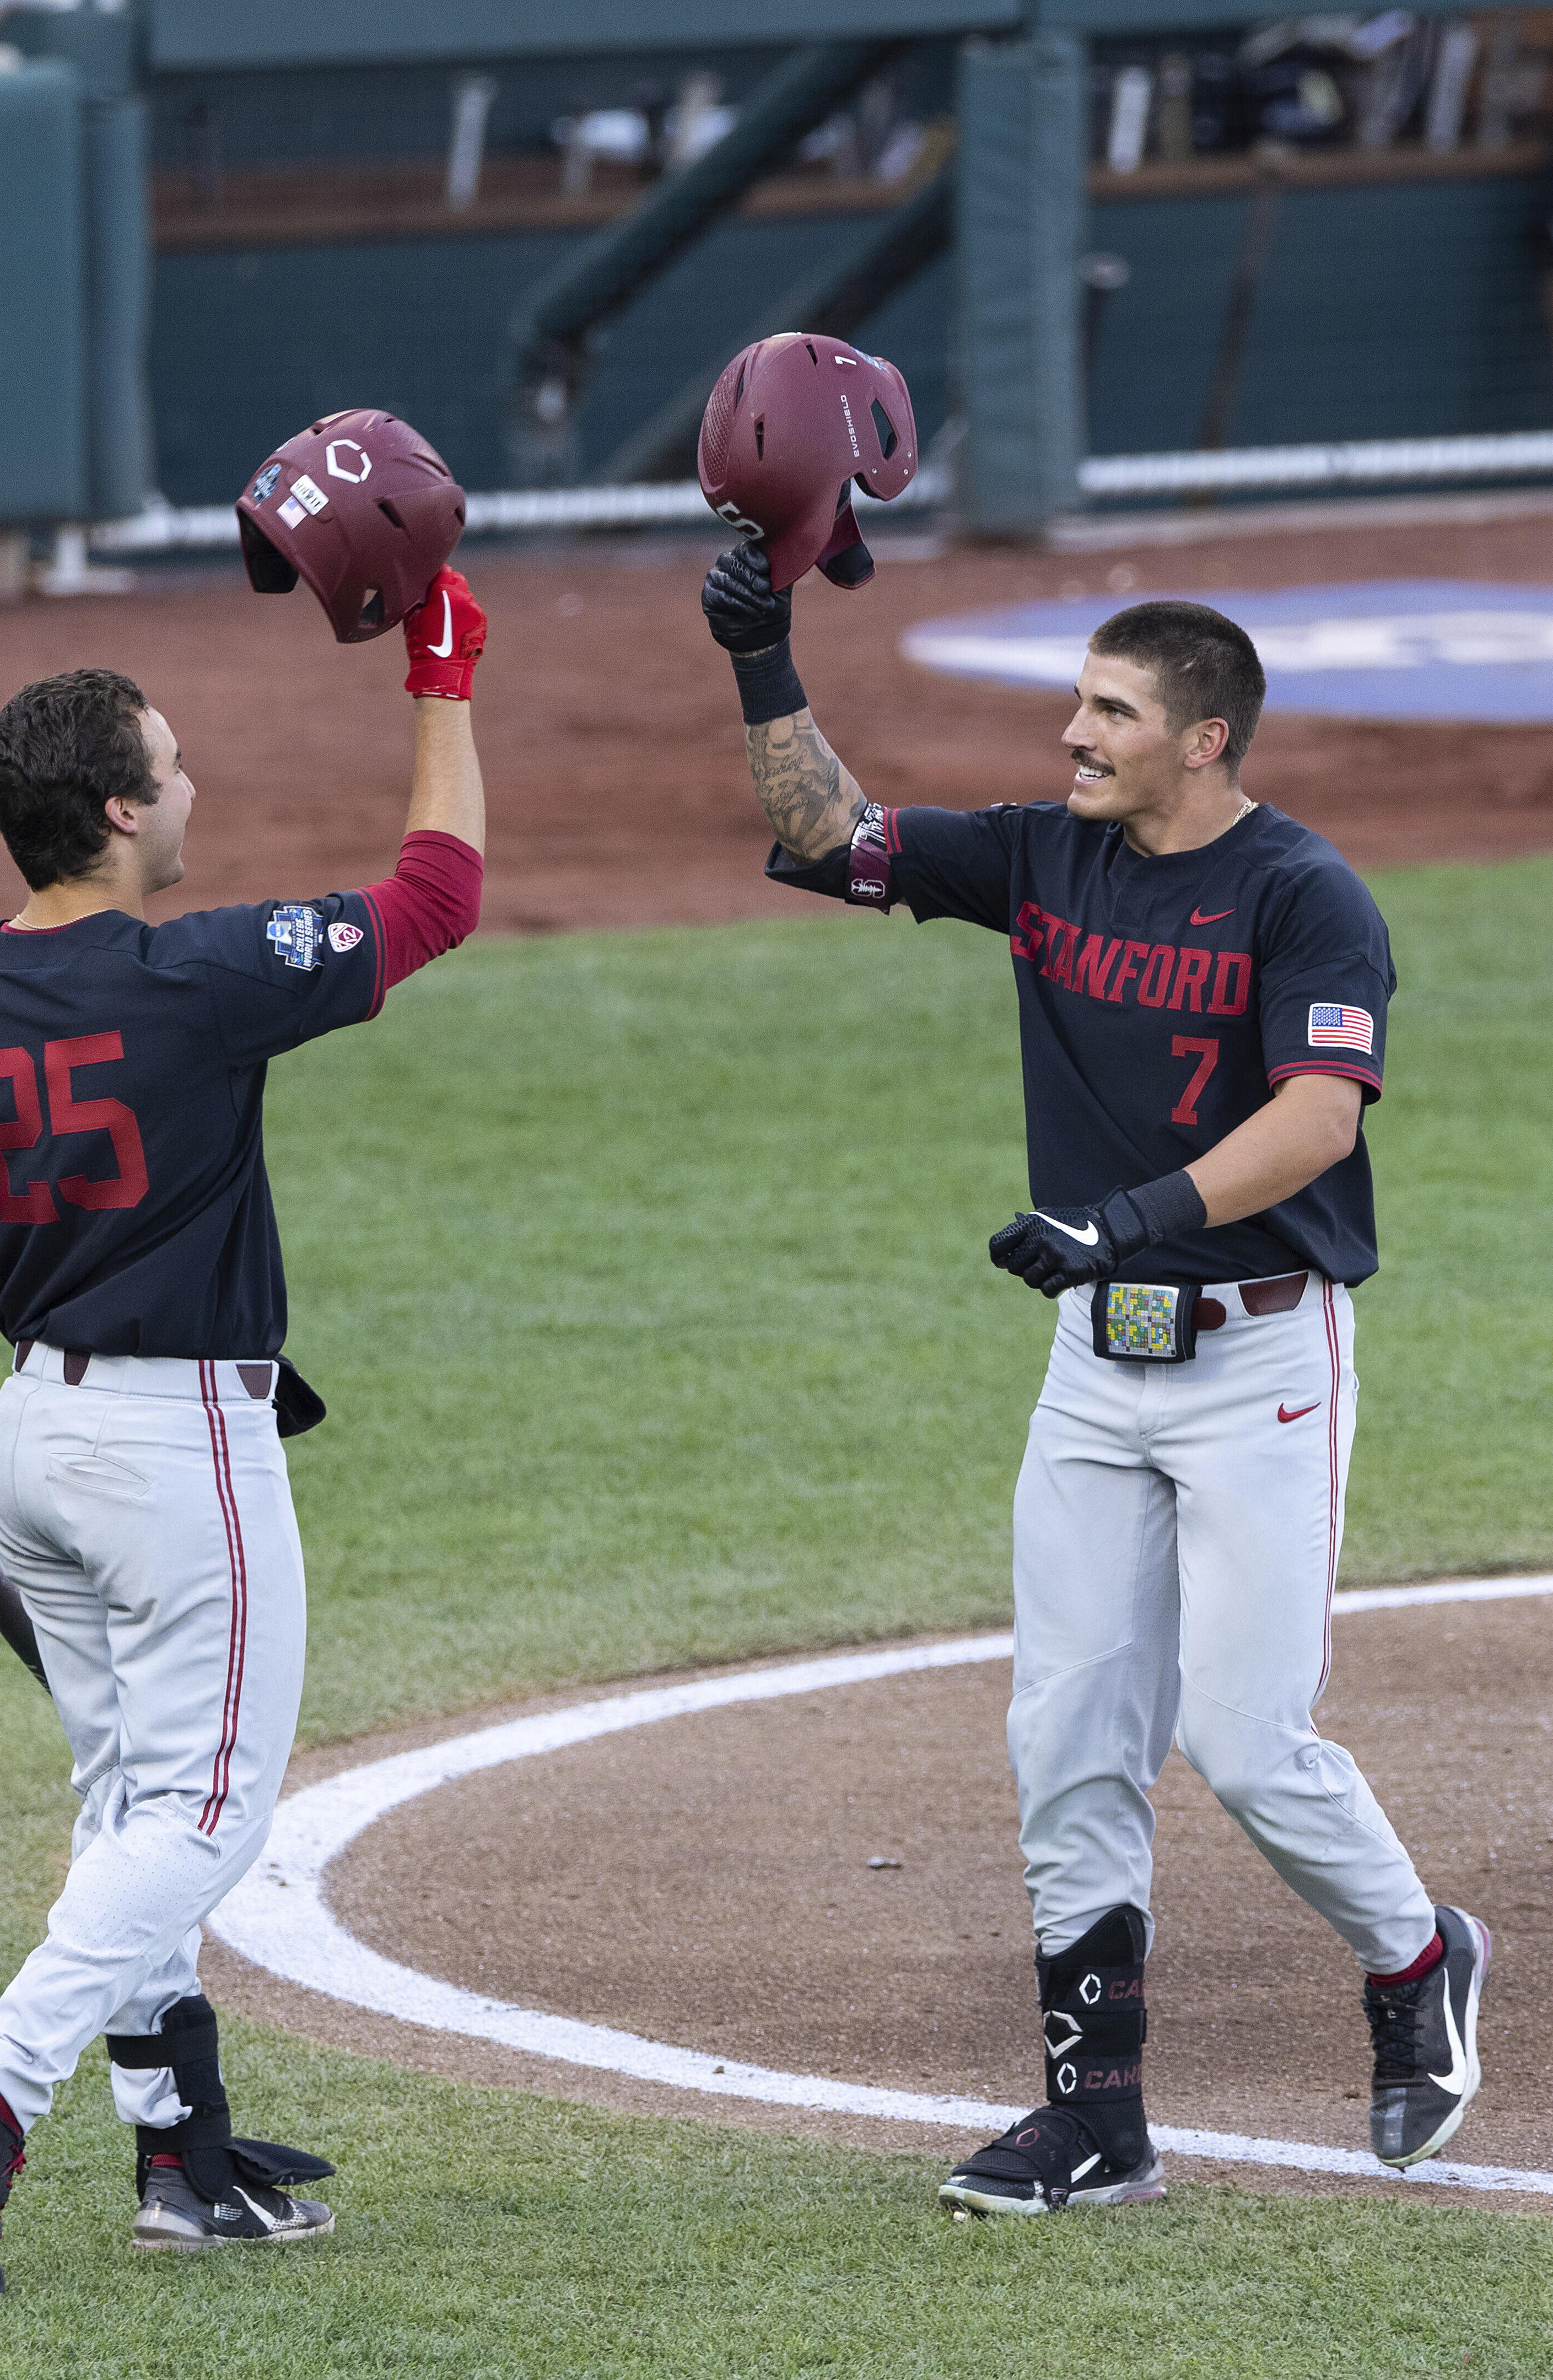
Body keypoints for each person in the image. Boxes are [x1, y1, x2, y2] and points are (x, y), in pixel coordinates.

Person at [702, 549, 1489, 2217]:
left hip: (1262, 1357)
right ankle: (1095, 2113)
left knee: (1251, 1740)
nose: (1073, 733)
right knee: (1066, 1735)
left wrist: (1125, 1218)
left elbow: (1320, 1118)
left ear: (1203, 740)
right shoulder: (1047, 857)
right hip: (1095, 1370)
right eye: (1078, 701)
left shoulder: (1304, 896)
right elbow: (836, 837)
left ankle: (1415, 1958)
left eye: (1111, 711)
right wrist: (764, 656)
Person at [0, 568, 489, 2291]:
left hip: (35, 1441)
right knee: (206, 1817)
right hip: (177, 1447)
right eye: (176, 766)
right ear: (121, 811)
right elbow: (439, 893)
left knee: (127, 1799)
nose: (196, 788)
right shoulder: (198, 973)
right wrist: (441, 672)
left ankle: (187, 2155)